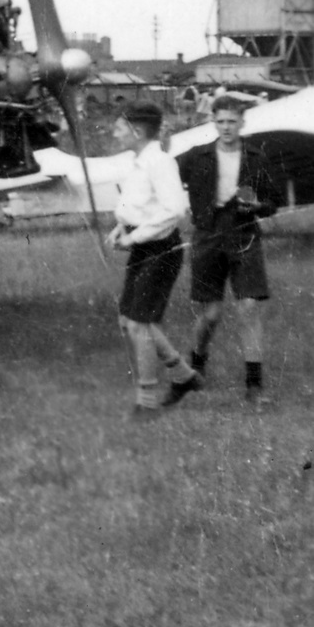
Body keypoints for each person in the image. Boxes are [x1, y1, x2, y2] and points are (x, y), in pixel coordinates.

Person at [177, 95, 283, 405]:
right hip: (208, 236)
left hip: (243, 233)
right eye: (220, 121)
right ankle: (197, 364)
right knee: (210, 314)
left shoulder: (255, 157)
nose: (226, 127)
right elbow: (166, 179)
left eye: (232, 122)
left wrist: (258, 206)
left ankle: (254, 386)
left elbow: (273, 202)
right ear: (213, 121)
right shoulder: (196, 156)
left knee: (249, 306)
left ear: (242, 122)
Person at [105, 102, 203, 417]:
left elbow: (173, 210)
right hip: (143, 247)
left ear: (137, 131)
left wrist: (133, 237)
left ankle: (146, 402)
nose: (114, 132)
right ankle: (185, 376)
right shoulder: (138, 162)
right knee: (129, 321)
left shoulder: (160, 162)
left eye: (119, 127)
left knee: (138, 325)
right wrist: (121, 227)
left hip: (160, 250)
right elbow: (140, 205)